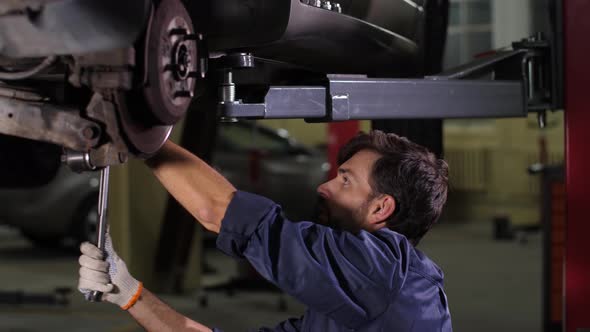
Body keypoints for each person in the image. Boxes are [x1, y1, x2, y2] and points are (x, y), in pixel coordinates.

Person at [78, 130, 452, 331]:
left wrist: (137, 135)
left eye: (344, 180)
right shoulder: (356, 294)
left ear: (381, 208)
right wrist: (128, 292)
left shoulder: (386, 272)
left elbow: (222, 213)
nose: (324, 188)